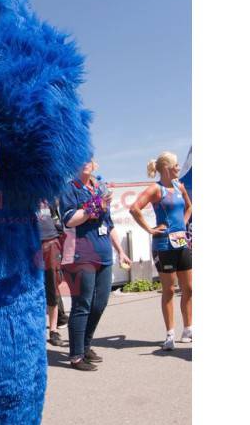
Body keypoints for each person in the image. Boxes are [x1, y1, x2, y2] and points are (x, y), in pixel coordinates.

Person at [59, 160, 131, 371]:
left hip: (104, 254)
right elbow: (69, 220)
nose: (84, 163)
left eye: (88, 159)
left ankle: (86, 345)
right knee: (82, 305)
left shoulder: (100, 188)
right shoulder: (69, 188)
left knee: (99, 304)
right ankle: (76, 355)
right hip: (81, 255)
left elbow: (108, 225)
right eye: (79, 159)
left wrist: (120, 250)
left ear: (94, 163)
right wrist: (93, 206)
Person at [130, 151, 192, 350]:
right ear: (166, 168)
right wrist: (150, 229)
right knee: (169, 290)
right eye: (176, 166)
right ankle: (170, 334)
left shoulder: (179, 186)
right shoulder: (155, 189)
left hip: (181, 243)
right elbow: (134, 208)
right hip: (164, 246)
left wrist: (181, 224)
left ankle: (188, 329)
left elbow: (189, 207)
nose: (178, 169)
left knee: (189, 288)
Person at [37, 200, 65, 347]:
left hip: (51, 243)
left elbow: (55, 218)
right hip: (30, 246)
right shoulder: (21, 196)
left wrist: (58, 239)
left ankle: (53, 331)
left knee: (52, 288)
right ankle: (36, 329)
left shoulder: (48, 197)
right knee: (32, 290)